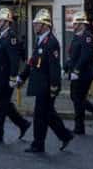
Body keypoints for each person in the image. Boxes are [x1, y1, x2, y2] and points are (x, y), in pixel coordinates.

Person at [24, 8, 72, 154]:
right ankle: (65, 135)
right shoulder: (41, 41)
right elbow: (33, 61)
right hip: (40, 84)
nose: (34, 26)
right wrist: (22, 76)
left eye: (37, 24)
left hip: (47, 86)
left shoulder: (51, 42)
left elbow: (54, 67)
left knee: (40, 115)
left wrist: (54, 87)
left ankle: (38, 144)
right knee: (48, 114)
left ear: (45, 25)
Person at [0, 7, 31, 143]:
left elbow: (14, 60)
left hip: (6, 78)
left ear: (6, 22)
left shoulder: (10, 38)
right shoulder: (2, 36)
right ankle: (23, 124)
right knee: (5, 105)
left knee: (0, 106)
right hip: (0, 77)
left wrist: (12, 77)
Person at [65, 12, 93, 135]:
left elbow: (85, 56)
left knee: (78, 98)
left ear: (82, 24)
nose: (74, 25)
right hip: (76, 73)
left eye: (76, 23)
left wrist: (76, 70)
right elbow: (72, 55)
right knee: (76, 98)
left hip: (84, 74)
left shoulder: (87, 37)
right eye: (74, 23)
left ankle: (80, 127)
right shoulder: (77, 36)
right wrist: (66, 68)